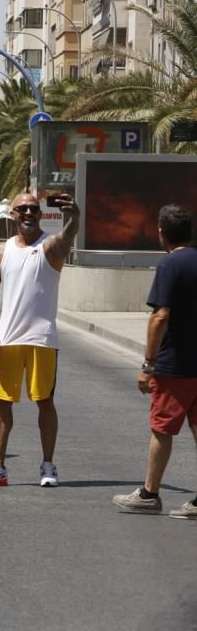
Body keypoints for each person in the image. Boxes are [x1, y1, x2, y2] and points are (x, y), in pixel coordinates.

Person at [0, 192, 78, 487]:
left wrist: (75, 216)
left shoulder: (50, 246)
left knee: (45, 401)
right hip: (6, 340)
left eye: (34, 208)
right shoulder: (0, 251)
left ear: (41, 214)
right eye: (22, 209)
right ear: (13, 214)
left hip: (41, 339)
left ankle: (47, 466)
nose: (29, 213)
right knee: (1, 403)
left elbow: (70, 233)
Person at [113, 205, 197, 517]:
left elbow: (160, 316)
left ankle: (149, 494)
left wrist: (148, 364)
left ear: (161, 232)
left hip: (175, 366)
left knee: (162, 430)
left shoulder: (170, 266)